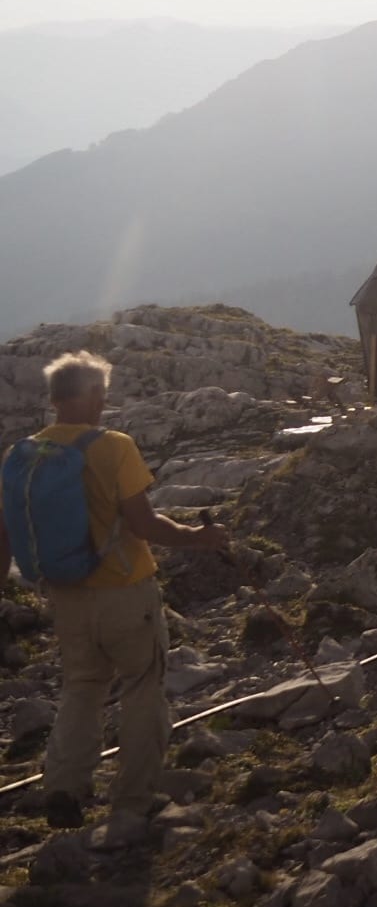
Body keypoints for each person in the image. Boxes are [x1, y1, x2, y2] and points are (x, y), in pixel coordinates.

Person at [0, 352, 228, 838]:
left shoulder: (23, 454)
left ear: (53, 398)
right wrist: (198, 537)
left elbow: (5, 531)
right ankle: (133, 801)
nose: (104, 402)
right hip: (125, 593)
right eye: (101, 393)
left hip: (64, 595)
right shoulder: (113, 447)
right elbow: (145, 524)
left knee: (82, 687)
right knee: (143, 689)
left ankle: (62, 786)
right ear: (91, 396)